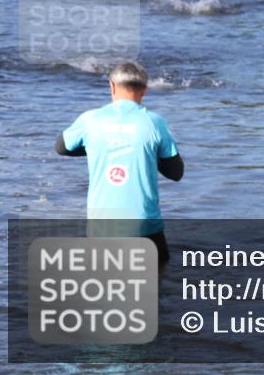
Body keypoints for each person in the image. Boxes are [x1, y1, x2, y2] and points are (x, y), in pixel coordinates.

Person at [56, 61, 184, 264]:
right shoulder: (154, 122)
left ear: (112, 86)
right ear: (144, 90)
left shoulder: (90, 119)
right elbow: (176, 173)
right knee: (156, 287)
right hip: (145, 229)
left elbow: (62, 148)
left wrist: (99, 148)